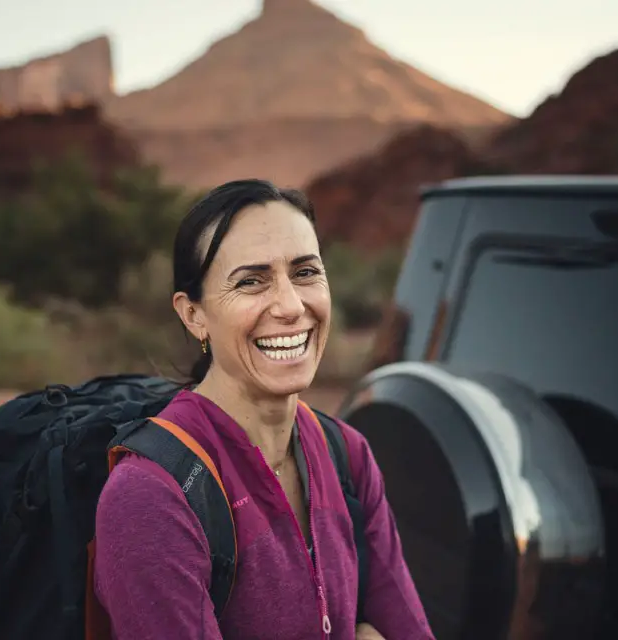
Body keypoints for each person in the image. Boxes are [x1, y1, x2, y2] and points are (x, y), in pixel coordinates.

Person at [93, 179, 435, 639]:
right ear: (193, 315)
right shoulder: (152, 495)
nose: (291, 306)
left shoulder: (347, 456)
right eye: (251, 281)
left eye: (306, 273)